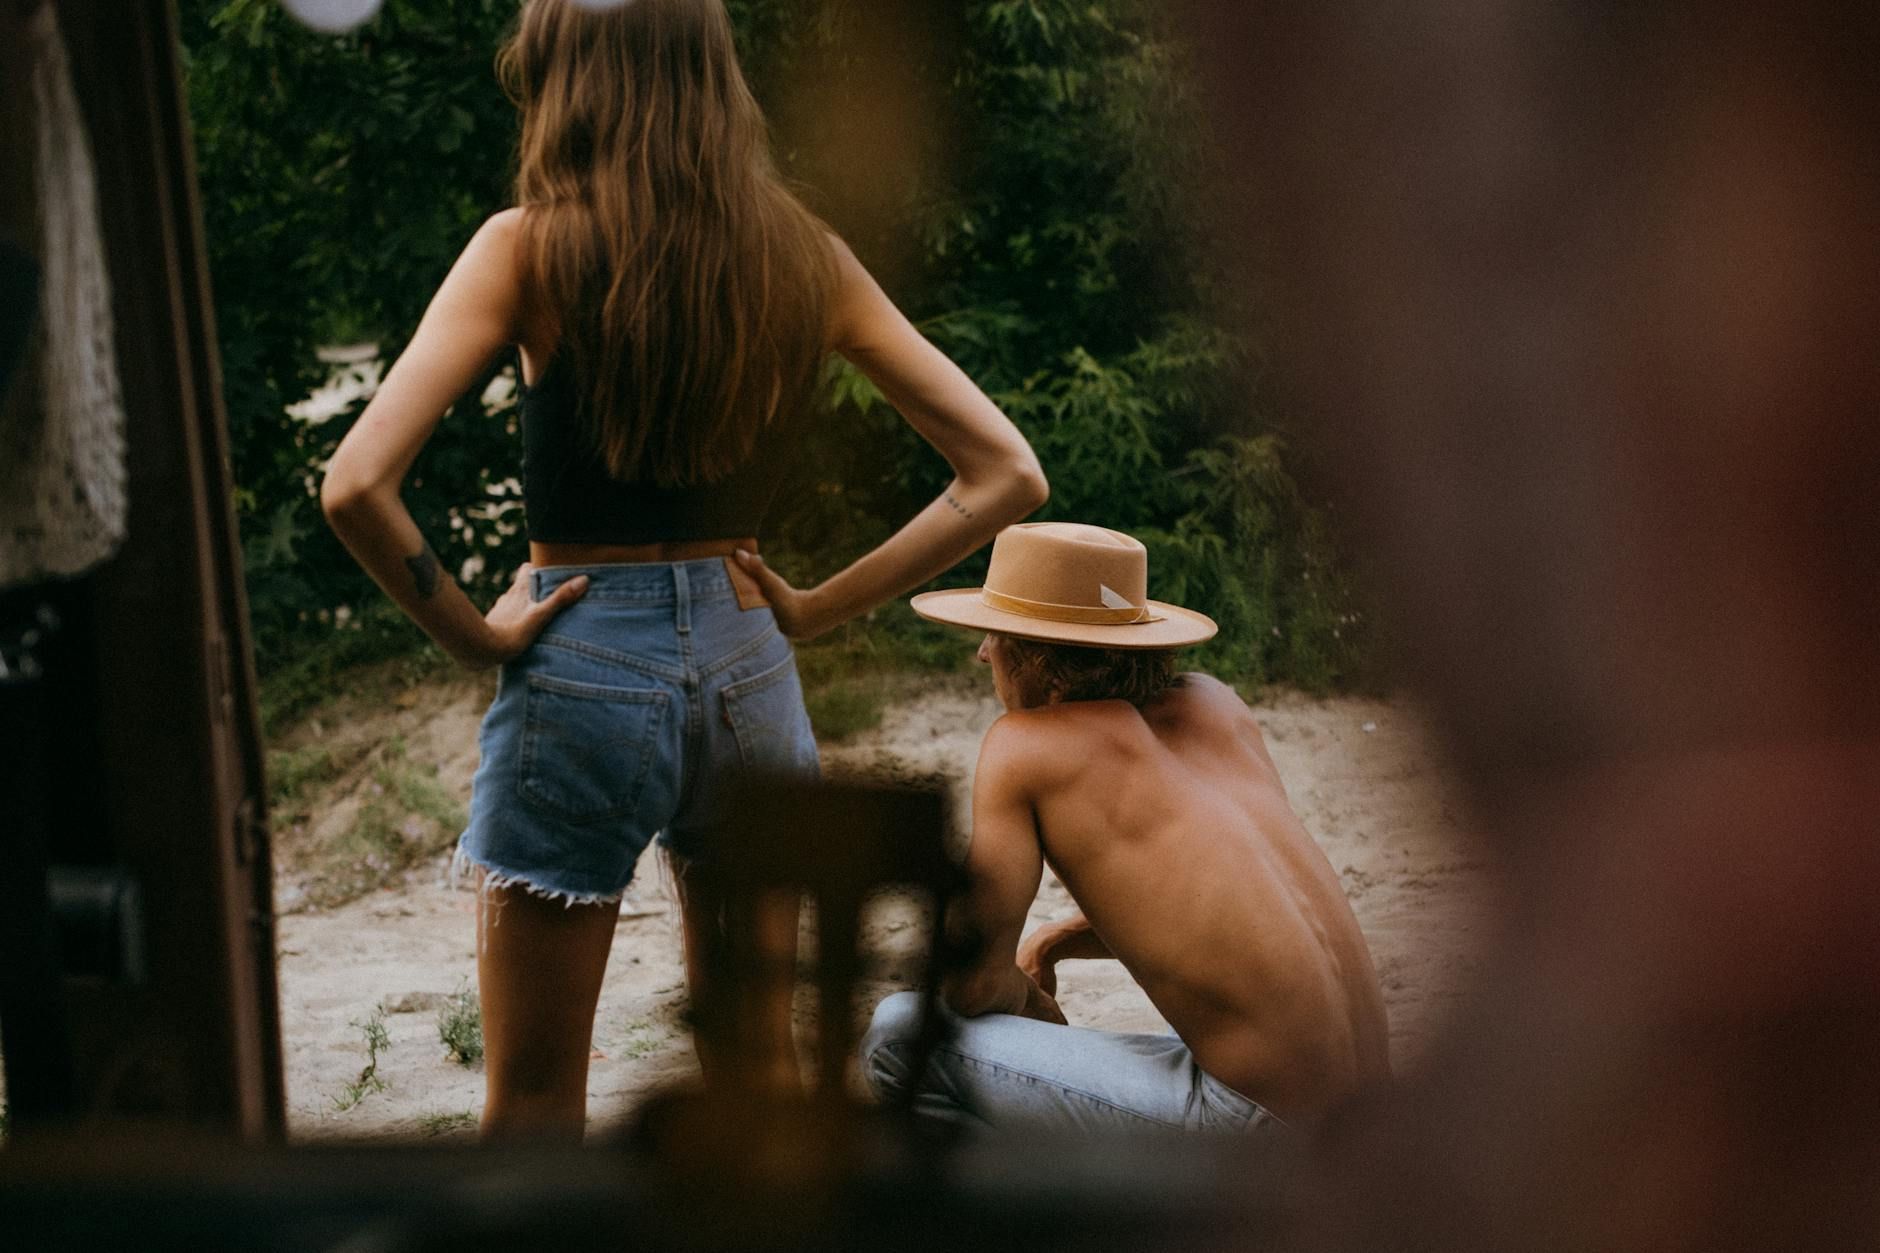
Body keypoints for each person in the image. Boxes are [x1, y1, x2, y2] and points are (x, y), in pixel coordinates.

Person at [320, 0, 1047, 1140]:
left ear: (568, 73)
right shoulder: (806, 254)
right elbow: (1004, 471)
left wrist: (476, 634)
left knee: (533, 1106)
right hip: (750, 671)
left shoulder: (525, 247)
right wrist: (812, 611)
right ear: (715, 77)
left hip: (579, 667)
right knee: (757, 1090)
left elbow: (355, 483)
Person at [863, 522, 1389, 1133]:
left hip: (1265, 1128)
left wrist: (1030, 999)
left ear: (1041, 660)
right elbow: (1221, 905)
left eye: (995, 635)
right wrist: (1057, 940)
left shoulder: (1024, 748)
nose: (983, 653)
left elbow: (970, 986)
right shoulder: (1216, 706)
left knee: (897, 1034)